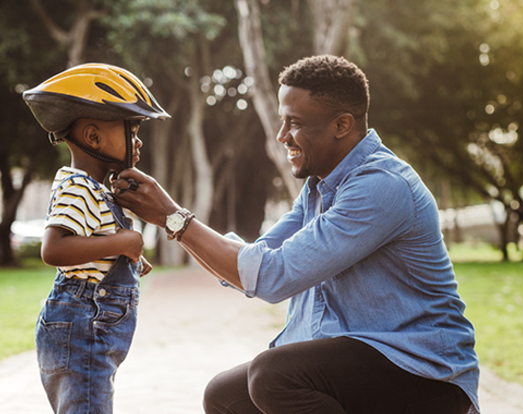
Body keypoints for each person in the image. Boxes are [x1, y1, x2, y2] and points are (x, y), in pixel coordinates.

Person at [112, 55, 480, 414]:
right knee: (224, 396)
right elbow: (257, 259)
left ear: (342, 125)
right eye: (282, 122)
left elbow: (271, 277)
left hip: (425, 375)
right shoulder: (319, 188)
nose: (282, 135)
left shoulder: (382, 186)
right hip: (363, 362)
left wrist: (173, 217)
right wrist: (173, 220)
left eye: (295, 123)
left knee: (274, 376)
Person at [22, 63, 170, 413]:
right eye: (132, 130)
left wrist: (127, 255)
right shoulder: (77, 186)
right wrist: (123, 243)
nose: (138, 141)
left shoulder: (97, 190)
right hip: (82, 326)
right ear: (93, 138)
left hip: (90, 330)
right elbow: (54, 248)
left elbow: (92, 248)